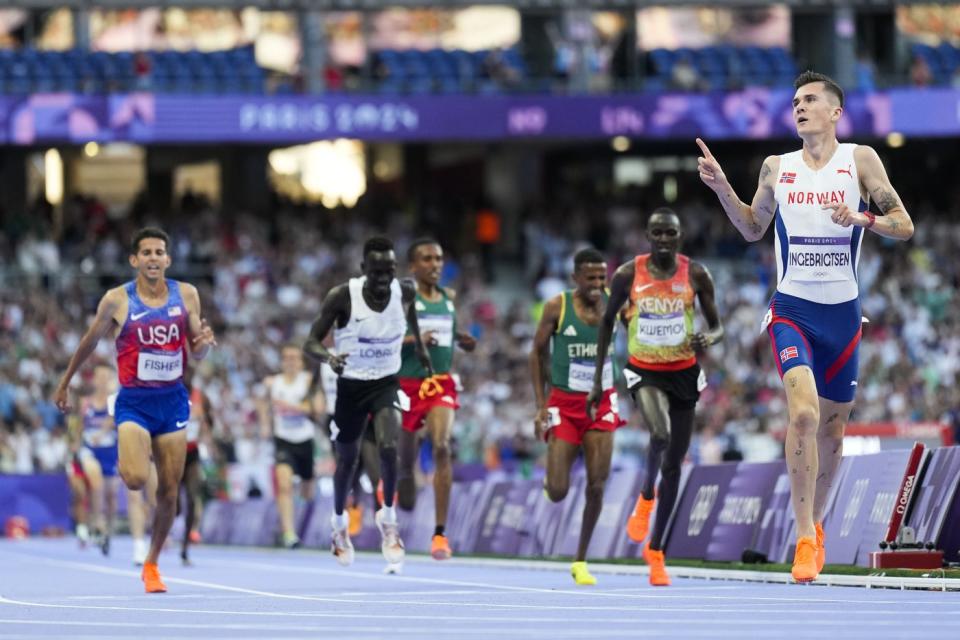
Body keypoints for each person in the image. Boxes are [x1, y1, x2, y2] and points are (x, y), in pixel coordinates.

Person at [695, 70, 913, 582]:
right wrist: (723, 187)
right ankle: (802, 536)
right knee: (805, 417)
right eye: (795, 100)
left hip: (842, 315)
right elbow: (752, 228)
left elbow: (904, 226)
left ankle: (817, 526)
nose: (799, 106)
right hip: (792, 309)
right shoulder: (777, 167)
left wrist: (863, 220)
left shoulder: (859, 160)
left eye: (810, 99)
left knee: (834, 429)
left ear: (835, 112)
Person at [54, 227, 217, 592]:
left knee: (170, 493)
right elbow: (88, 341)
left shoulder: (187, 294)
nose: (154, 258)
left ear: (168, 260)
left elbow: (197, 349)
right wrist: (64, 382)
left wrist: (204, 345)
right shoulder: (117, 300)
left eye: (160, 252)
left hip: (173, 400)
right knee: (135, 479)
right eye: (146, 253)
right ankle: (133, 458)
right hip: (134, 402)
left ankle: (153, 563)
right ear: (135, 260)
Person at [588, 209, 723, 587]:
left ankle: (657, 552)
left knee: (675, 465)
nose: (664, 239)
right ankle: (646, 495)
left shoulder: (695, 274)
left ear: (680, 236)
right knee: (660, 435)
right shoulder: (628, 274)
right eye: (657, 233)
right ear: (647, 236)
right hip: (644, 369)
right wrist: (600, 378)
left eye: (671, 234)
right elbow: (606, 323)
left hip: (683, 371)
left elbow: (717, 325)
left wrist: (709, 338)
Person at [303, 236, 432, 567]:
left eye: (388, 271)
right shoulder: (343, 296)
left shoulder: (405, 291)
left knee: (390, 446)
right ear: (364, 270)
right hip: (351, 386)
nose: (382, 279)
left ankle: (388, 521)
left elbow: (412, 319)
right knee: (347, 460)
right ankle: (339, 524)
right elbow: (310, 342)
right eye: (376, 272)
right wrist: (330, 359)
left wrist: (419, 347)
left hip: (386, 382)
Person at [530, 248, 621, 586]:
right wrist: (540, 404)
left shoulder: (616, 302)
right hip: (564, 404)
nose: (598, 284)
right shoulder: (558, 306)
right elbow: (536, 352)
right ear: (575, 279)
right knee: (558, 491)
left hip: (602, 403)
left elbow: (638, 333)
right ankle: (549, 482)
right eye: (591, 278)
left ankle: (580, 560)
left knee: (597, 484)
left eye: (602, 277)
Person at [396, 239, 477, 561]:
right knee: (405, 475)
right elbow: (382, 339)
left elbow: (448, 332)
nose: (435, 264)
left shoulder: (449, 298)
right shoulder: (401, 300)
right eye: (427, 259)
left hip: (439, 383)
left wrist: (463, 340)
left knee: (442, 446)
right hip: (405, 386)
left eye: (439, 258)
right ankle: (397, 480)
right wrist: (416, 339)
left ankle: (440, 535)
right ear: (413, 266)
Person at [257, 344, 323, 550]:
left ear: (301, 362)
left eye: (294, 358)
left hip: (304, 439)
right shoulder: (272, 383)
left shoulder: (309, 381)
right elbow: (261, 403)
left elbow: (318, 409)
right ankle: (289, 533)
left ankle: (302, 523)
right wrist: (265, 424)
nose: (290, 362)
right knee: (284, 484)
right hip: (282, 439)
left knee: (307, 491)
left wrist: (291, 407)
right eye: (287, 357)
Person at [70, 364, 120, 556]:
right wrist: (75, 443)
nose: (102, 380)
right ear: (94, 379)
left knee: (111, 497)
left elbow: (114, 422)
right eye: (99, 376)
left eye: (106, 376)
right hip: (90, 450)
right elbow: (78, 426)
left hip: (110, 452)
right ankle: (97, 523)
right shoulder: (85, 403)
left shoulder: (115, 402)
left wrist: (104, 431)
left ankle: (106, 531)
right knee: (96, 481)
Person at [180, 369, 213, 565]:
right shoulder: (169, 394)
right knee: (173, 504)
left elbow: (210, 421)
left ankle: (184, 548)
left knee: (193, 498)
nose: (187, 379)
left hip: (192, 453)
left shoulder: (201, 397)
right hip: (172, 453)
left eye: (190, 375)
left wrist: (206, 438)